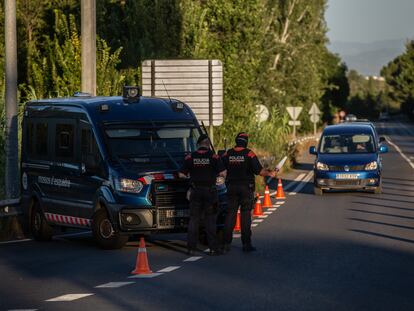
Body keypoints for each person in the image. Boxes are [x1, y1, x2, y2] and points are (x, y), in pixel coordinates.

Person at [222, 132, 277, 252]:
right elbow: (259, 171)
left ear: (236, 140)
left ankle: (226, 244)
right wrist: (270, 173)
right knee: (245, 215)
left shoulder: (228, 153)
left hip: (231, 187)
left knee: (230, 215)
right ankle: (246, 245)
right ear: (246, 142)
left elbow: (220, 168)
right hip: (246, 188)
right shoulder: (249, 154)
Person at [179, 134, 226, 256]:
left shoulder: (190, 157)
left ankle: (191, 249)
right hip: (210, 192)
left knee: (194, 220)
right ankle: (213, 249)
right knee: (210, 220)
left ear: (198, 144)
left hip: (195, 192)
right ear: (208, 144)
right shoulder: (214, 157)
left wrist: (191, 177)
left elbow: (181, 174)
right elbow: (223, 173)